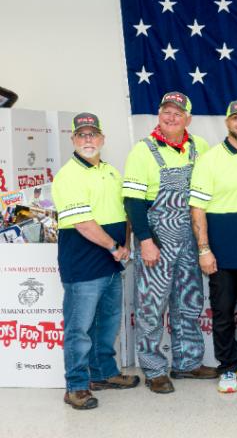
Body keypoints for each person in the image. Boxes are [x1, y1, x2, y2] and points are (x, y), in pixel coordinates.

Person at [122, 91, 214, 393]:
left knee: (189, 301)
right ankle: (154, 369)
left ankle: (187, 363)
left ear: (187, 118)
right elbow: (133, 201)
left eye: (178, 113)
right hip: (157, 240)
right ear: (159, 114)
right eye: (166, 112)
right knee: (151, 307)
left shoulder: (199, 147)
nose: (171, 117)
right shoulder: (143, 151)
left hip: (190, 239)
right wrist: (145, 241)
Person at [52, 113, 138, 409]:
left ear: (102, 139)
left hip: (112, 261)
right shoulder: (68, 175)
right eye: (82, 135)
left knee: (107, 324)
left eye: (93, 134)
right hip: (84, 263)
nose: (88, 139)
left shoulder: (111, 171)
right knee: (79, 328)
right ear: (73, 140)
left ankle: (103, 373)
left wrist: (124, 244)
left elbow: (122, 212)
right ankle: (76, 386)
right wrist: (115, 246)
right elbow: (83, 224)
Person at [189, 100, 237, 393]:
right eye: (235, 118)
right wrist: (204, 249)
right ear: (227, 122)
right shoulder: (209, 159)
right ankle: (227, 367)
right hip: (221, 250)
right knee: (223, 311)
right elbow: (197, 209)